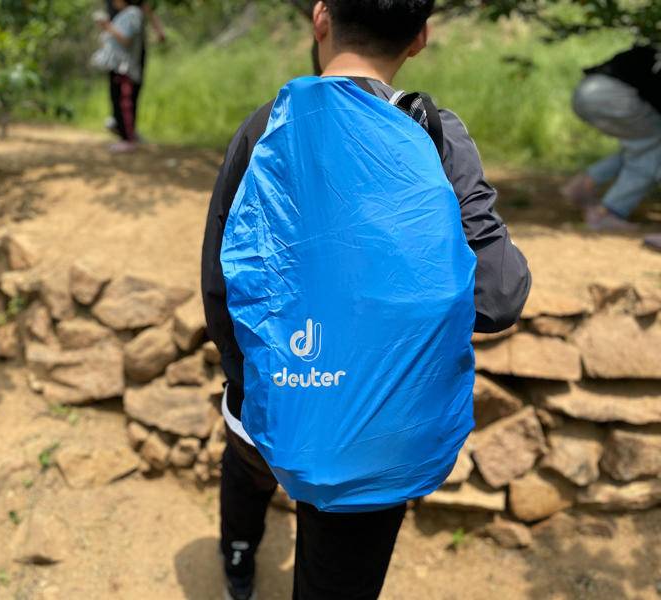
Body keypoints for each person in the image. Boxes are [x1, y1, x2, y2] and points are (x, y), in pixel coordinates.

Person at [201, 2, 531, 599]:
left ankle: (239, 562)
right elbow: (498, 296)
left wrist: (250, 386)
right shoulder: (433, 134)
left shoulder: (266, 127)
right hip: (381, 428)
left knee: (249, 474)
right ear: (421, 37)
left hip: (275, 391)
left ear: (321, 16)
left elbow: (222, 281)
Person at [562, 45, 661, 231]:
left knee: (642, 145)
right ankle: (609, 213)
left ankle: (584, 184)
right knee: (654, 147)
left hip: (587, 91)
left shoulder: (655, 47)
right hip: (612, 94)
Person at [91, 0, 145, 152]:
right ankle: (124, 136)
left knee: (125, 104)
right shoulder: (123, 15)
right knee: (117, 102)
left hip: (125, 68)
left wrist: (108, 26)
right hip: (116, 67)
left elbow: (126, 40)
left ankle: (129, 139)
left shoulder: (133, 12)